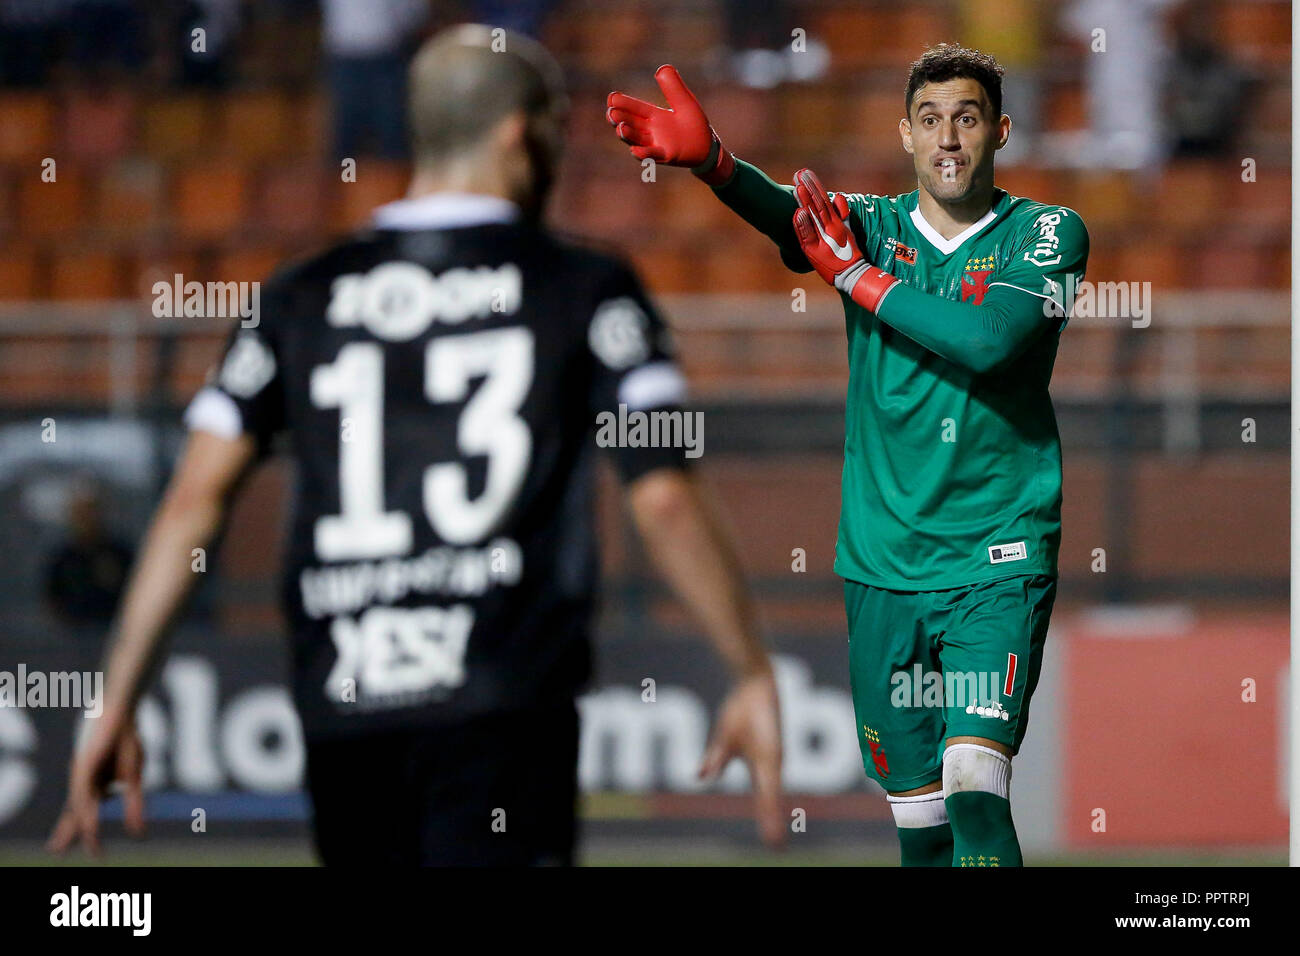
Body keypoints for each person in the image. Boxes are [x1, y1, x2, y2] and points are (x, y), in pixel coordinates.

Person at [49, 24, 784, 866]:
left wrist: (116, 697)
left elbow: (193, 500)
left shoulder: (298, 295)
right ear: (520, 130)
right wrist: (750, 669)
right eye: (553, 127)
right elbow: (661, 491)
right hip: (501, 703)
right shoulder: (585, 286)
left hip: (346, 707)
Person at [608, 44, 1088, 866]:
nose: (948, 138)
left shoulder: (1047, 233)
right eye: (930, 120)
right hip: (881, 562)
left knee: (975, 778)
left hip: (995, 556)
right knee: (921, 824)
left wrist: (857, 279)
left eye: (967, 118)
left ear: (1000, 131)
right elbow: (789, 221)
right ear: (905, 134)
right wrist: (716, 165)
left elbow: (991, 342)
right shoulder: (874, 225)